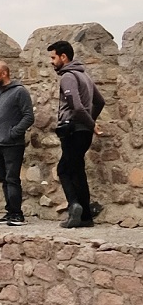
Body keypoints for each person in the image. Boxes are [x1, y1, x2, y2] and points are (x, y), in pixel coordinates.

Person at [47, 37, 103, 227]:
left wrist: (90, 123)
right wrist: (91, 122)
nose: (52, 62)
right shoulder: (85, 76)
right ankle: (86, 217)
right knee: (78, 170)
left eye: (54, 58)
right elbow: (100, 101)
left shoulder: (68, 76)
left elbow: (77, 107)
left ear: (64, 57)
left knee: (63, 169)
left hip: (73, 130)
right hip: (83, 132)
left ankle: (74, 206)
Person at [0, 60, 35, 224]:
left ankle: (17, 214)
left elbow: (28, 117)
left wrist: (13, 133)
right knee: (3, 179)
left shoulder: (19, 92)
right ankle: (10, 211)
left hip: (12, 144)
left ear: (4, 73)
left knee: (12, 179)